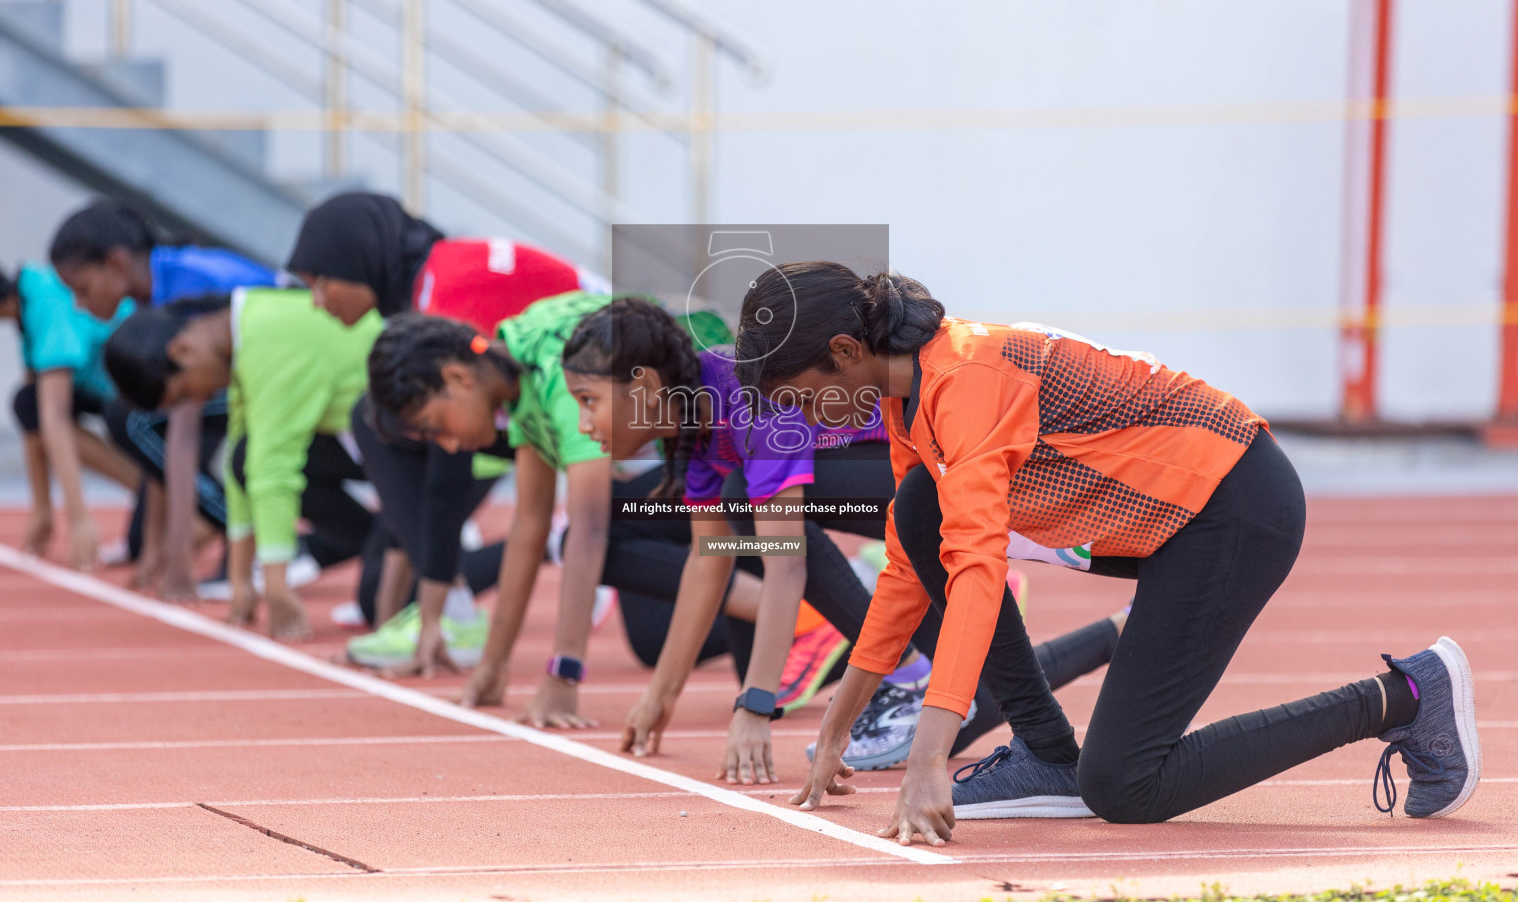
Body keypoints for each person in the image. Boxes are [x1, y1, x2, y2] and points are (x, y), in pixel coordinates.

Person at [732, 262, 1479, 838]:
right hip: (1166, 518)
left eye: (799, 396)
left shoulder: (962, 381)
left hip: (1234, 506)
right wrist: (835, 729)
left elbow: (978, 571)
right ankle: (1045, 752)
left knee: (1125, 787)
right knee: (920, 510)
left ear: (844, 349)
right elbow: (907, 564)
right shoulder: (906, 398)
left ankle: (1406, 696)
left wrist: (930, 752)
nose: (803, 417)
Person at [559, 298, 1125, 784]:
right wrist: (660, 696)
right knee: (978, 690)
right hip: (909, 481)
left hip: (932, 462)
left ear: (647, 386)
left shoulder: (745, 397)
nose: (582, 424)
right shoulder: (690, 428)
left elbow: (786, 566)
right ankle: (1113, 632)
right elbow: (710, 562)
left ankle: (901, 671)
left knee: (745, 500)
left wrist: (758, 706)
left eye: (588, 400)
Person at [366, 294, 762, 727]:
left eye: (434, 426)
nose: (447, 445)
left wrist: (565, 674)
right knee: (651, 638)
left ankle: (781, 602)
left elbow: (590, 527)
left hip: (760, 439)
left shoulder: (557, 374)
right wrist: (492, 664)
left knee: (588, 533)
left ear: (457, 377)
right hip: (709, 458)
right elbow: (528, 524)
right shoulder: (515, 355)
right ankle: (781, 604)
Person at [286, 192, 603, 672]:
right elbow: (420, 467)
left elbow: (445, 470)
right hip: (554, 407)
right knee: (379, 588)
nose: (316, 302)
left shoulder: (443, 300)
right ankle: (456, 598)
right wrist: (392, 610)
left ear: (357, 258)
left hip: (615, 405)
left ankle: (457, 612)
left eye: (320, 282)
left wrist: (434, 611)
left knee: (375, 420)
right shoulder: (429, 282)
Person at [104, 289, 379, 640]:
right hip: (376, 443)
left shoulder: (267, 340)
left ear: (182, 350)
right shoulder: (245, 334)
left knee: (379, 600)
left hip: (437, 452)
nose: (199, 400)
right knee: (244, 457)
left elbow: (272, 468)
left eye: (185, 393)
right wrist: (240, 582)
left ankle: (449, 554)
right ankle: (389, 537)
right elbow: (243, 465)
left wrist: (277, 589)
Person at [48, 199, 279, 598]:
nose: (79, 305)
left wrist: (178, 562)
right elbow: (169, 439)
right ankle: (218, 534)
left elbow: (182, 432)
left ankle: (241, 542)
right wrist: (157, 549)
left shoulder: (185, 289)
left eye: (82, 289)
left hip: (289, 373)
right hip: (252, 379)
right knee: (141, 414)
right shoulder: (152, 292)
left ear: (117, 264)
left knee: (136, 418)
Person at [0, 255, 138, 570]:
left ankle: (149, 490)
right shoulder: (27, 302)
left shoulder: (46, 302)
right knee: (28, 402)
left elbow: (55, 416)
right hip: (108, 389)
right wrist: (41, 509)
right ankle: (148, 491)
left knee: (45, 409)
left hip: (140, 383)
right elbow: (34, 412)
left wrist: (78, 518)